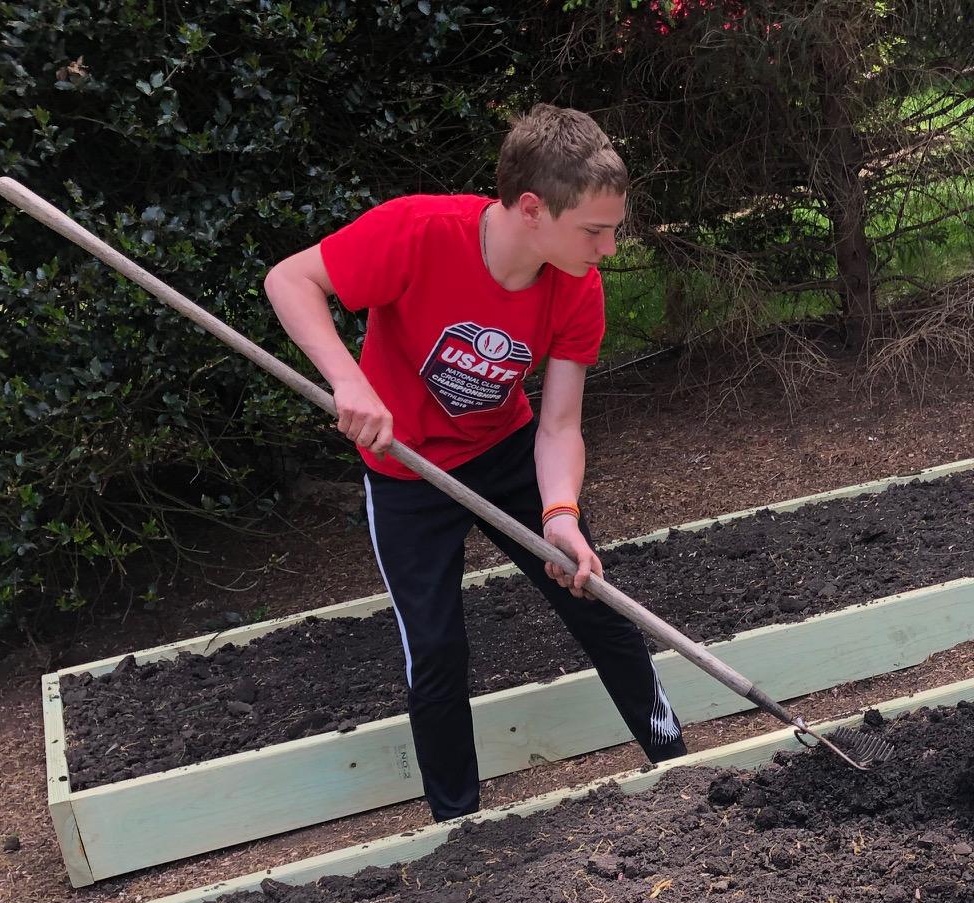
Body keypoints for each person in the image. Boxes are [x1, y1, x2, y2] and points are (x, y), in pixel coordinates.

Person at [263, 105, 687, 821]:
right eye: (594, 229)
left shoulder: (577, 285)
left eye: (614, 227)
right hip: (407, 476)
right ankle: (457, 827)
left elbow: (558, 424)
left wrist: (560, 514)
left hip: (506, 455)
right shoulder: (417, 232)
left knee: (594, 600)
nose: (610, 248)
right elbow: (289, 280)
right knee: (434, 650)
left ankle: (679, 763)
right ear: (532, 209)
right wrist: (350, 380)